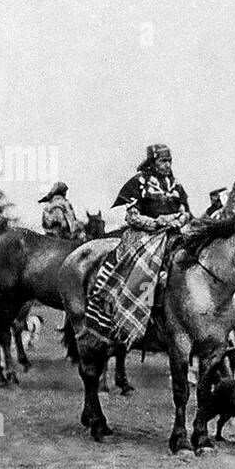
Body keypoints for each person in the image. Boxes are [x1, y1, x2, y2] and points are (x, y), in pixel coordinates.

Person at [81, 144, 191, 347]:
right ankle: (132, 317)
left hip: (173, 234)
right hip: (146, 235)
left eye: (169, 161)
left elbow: (185, 212)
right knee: (145, 265)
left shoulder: (175, 185)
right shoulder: (139, 182)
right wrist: (157, 222)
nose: (167, 165)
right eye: (162, 161)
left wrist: (179, 220)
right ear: (153, 162)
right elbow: (131, 216)